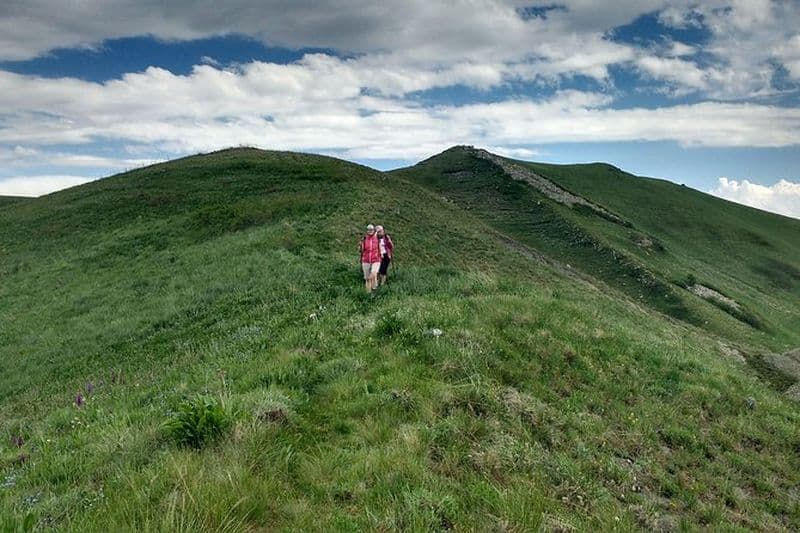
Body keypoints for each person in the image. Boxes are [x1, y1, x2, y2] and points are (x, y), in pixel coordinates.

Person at [359, 224, 380, 292]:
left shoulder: (378, 238)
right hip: (366, 260)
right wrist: (360, 246)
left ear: (374, 230)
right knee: (367, 279)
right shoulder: (364, 239)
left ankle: (374, 288)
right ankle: (368, 293)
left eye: (371, 230)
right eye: (368, 230)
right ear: (367, 231)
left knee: (373, 274)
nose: (370, 231)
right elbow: (361, 250)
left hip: (376, 259)